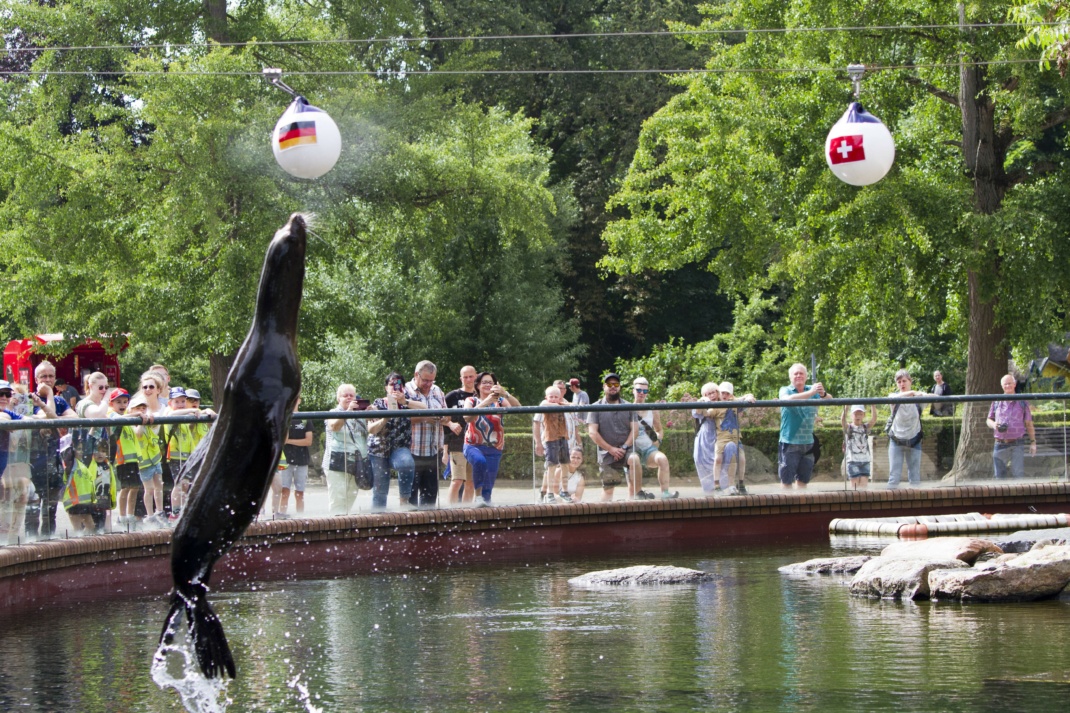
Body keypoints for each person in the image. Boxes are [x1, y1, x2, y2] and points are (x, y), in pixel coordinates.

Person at [27, 360, 76, 538]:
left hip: (54, 456)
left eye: (50, 376)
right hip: (33, 457)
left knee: (51, 502)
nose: (47, 380)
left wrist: (51, 401)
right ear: (36, 378)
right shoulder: (29, 400)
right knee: (33, 502)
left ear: (55, 379)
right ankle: (30, 540)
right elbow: (49, 419)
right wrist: (47, 397)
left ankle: (48, 539)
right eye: (43, 376)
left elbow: (74, 417)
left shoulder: (59, 400)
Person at [463, 371, 520, 506]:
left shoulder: (500, 401)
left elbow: (518, 408)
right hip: (473, 445)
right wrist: (486, 402)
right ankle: (477, 497)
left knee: (487, 491)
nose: (487, 385)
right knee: (479, 461)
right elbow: (467, 417)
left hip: (494, 447)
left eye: (491, 382)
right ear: (477, 385)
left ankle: (484, 514)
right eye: (484, 382)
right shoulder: (471, 400)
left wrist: (505, 393)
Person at [586, 373, 645, 501]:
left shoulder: (629, 406)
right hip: (606, 454)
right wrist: (611, 449)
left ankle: (638, 496)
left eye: (616, 384)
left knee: (634, 460)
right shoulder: (595, 407)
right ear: (604, 387)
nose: (613, 387)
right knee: (608, 491)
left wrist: (624, 447)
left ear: (620, 387)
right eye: (610, 384)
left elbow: (635, 430)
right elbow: (592, 433)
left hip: (627, 450)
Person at [404, 360, 450, 508]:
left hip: (433, 452)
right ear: (416, 375)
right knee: (410, 500)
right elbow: (399, 420)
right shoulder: (404, 392)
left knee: (430, 498)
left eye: (432, 380)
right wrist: (424, 418)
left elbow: (448, 415)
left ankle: (428, 529)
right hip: (412, 452)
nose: (429, 384)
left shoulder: (437, 390)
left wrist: (443, 418)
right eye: (425, 380)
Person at [368, 372, 417, 511]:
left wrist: (405, 402)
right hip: (378, 450)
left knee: (407, 463)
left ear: (403, 388)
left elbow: (426, 409)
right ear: (386, 387)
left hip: (399, 447)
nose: (394, 388)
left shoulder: (407, 402)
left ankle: (404, 502)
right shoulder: (377, 403)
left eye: (398, 385)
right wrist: (385, 417)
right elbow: (371, 429)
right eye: (391, 384)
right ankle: (377, 522)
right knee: (380, 491)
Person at [778, 363, 831, 490]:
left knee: (803, 480)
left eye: (801, 373)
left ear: (806, 376)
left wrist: (822, 393)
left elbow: (829, 400)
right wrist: (812, 393)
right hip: (789, 442)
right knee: (786, 481)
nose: (798, 376)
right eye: (795, 373)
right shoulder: (785, 390)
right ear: (790, 377)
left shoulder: (812, 390)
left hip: (808, 443)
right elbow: (788, 400)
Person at [324, 383, 370, 514]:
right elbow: (334, 427)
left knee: (349, 501)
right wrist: (349, 411)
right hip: (336, 463)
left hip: (356, 463)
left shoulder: (360, 416)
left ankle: (344, 530)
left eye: (352, 395)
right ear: (338, 398)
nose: (349, 398)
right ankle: (334, 532)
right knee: (337, 502)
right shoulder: (333, 413)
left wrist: (375, 415)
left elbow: (372, 431)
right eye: (346, 395)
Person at [631, 377, 678, 499]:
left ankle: (665, 493)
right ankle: (638, 493)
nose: (642, 393)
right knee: (634, 460)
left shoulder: (652, 409)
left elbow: (659, 430)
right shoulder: (627, 409)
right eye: (639, 390)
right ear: (633, 390)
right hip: (632, 450)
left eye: (645, 391)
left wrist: (658, 440)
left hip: (648, 449)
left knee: (662, 459)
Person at [128, 392, 167, 528]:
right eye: (138, 408)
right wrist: (141, 420)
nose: (142, 410)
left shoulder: (150, 418)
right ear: (132, 410)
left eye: (144, 407)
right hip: (144, 462)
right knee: (149, 489)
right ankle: (150, 515)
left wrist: (149, 418)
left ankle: (160, 511)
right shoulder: (132, 422)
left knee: (159, 486)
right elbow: (138, 433)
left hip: (155, 458)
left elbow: (157, 427)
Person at [987, 373, 1037, 479]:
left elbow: (1028, 423)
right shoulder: (996, 401)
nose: (1007, 386)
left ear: (1014, 384)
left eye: (1009, 383)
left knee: (1018, 474)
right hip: (999, 443)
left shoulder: (1023, 402)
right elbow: (988, 420)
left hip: (1017, 443)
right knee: (999, 475)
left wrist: (1033, 442)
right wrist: (994, 424)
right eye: (1005, 384)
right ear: (1002, 386)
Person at [0, 380, 32, 543]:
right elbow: (6, 421)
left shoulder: (8, 413)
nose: (4, 398)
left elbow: (28, 421)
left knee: (16, 497)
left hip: (4, 461)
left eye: (7, 394)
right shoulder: (5, 414)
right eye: (1, 394)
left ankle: (8, 540)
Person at [710, 381, 755, 496]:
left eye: (727, 393)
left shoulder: (734, 404)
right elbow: (708, 412)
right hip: (722, 438)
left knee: (741, 459)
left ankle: (740, 483)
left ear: (731, 395)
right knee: (718, 459)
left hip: (735, 438)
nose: (724, 395)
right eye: (722, 393)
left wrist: (748, 396)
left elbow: (743, 398)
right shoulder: (716, 405)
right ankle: (716, 484)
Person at [108, 388, 141, 530]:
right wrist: (136, 415)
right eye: (119, 402)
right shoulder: (112, 415)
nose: (122, 404)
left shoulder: (127, 416)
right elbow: (117, 420)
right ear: (112, 404)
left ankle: (130, 515)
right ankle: (121, 516)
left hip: (133, 460)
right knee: (125, 487)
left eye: (125, 402)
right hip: (121, 460)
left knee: (135, 487)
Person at [886, 369, 926, 489]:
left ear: (910, 381)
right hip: (896, 439)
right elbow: (893, 398)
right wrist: (913, 393)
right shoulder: (894, 396)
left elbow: (936, 397)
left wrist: (922, 394)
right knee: (894, 476)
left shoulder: (918, 398)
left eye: (904, 381)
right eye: (899, 382)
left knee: (915, 477)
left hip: (914, 440)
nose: (902, 384)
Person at [444, 366, 477, 505]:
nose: (468, 380)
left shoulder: (480, 396)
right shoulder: (452, 396)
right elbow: (441, 418)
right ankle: (450, 513)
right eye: (465, 377)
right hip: (457, 443)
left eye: (471, 376)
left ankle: (466, 512)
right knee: (457, 480)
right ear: (461, 378)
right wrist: (450, 423)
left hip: (475, 443)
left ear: (476, 377)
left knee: (471, 482)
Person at [534, 384, 571, 503]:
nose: (554, 399)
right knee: (551, 466)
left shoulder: (563, 404)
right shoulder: (544, 405)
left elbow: (574, 406)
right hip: (550, 439)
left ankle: (564, 490)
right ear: (546, 397)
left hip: (563, 437)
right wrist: (538, 442)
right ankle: (549, 492)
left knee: (565, 464)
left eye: (556, 397)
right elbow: (537, 419)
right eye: (551, 397)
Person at [280, 395, 312, 516]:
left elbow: (308, 441)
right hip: (285, 460)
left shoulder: (305, 418)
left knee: (300, 493)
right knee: (284, 491)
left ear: (299, 400)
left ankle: (300, 518)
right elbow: (283, 439)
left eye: (296, 398)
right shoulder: (283, 417)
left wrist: (290, 441)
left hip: (302, 459)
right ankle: (281, 517)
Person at [842, 404, 878, 489]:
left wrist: (873, 406)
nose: (858, 416)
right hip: (853, 460)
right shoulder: (849, 427)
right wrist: (846, 407)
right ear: (851, 415)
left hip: (865, 460)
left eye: (860, 414)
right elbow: (843, 420)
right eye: (855, 414)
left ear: (864, 415)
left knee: (863, 486)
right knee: (854, 486)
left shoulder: (865, 427)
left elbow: (874, 420)